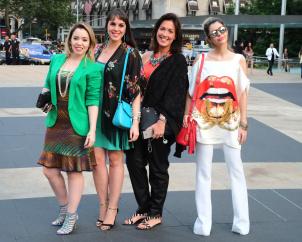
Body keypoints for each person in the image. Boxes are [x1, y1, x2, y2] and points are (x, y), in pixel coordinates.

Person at [184, 17, 250, 236]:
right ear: (208, 37)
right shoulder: (201, 59)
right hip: (203, 122)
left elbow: (242, 92)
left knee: (236, 171)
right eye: (214, 32)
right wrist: (187, 115)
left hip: (231, 122)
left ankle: (242, 222)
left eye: (222, 29)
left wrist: (244, 123)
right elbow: (191, 92)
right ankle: (203, 223)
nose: (220, 34)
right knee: (203, 172)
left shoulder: (239, 59)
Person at [124, 13, 189, 230]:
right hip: (139, 120)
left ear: (175, 35)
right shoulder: (145, 56)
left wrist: (163, 121)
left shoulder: (177, 60)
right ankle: (143, 208)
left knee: (158, 166)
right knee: (134, 162)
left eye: (170, 31)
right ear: (156, 30)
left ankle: (155, 212)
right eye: (162, 29)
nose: (165, 34)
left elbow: (177, 94)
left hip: (162, 121)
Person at [37, 22, 102, 235]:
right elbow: (47, 83)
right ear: (69, 39)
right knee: (49, 170)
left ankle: (71, 215)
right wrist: (44, 98)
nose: (79, 43)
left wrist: (92, 130)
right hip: (56, 122)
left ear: (90, 42)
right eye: (76, 38)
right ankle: (65, 208)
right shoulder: (57, 60)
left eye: (84, 39)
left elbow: (93, 100)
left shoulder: (92, 68)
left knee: (74, 171)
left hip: (78, 125)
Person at [93, 8, 142, 231]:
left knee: (114, 160)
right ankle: (102, 205)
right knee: (97, 162)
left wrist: (135, 121)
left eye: (121, 25)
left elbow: (136, 90)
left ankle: (112, 208)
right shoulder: (96, 49)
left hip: (114, 114)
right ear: (107, 25)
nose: (116, 29)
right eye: (113, 24)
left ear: (126, 28)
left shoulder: (130, 53)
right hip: (93, 112)